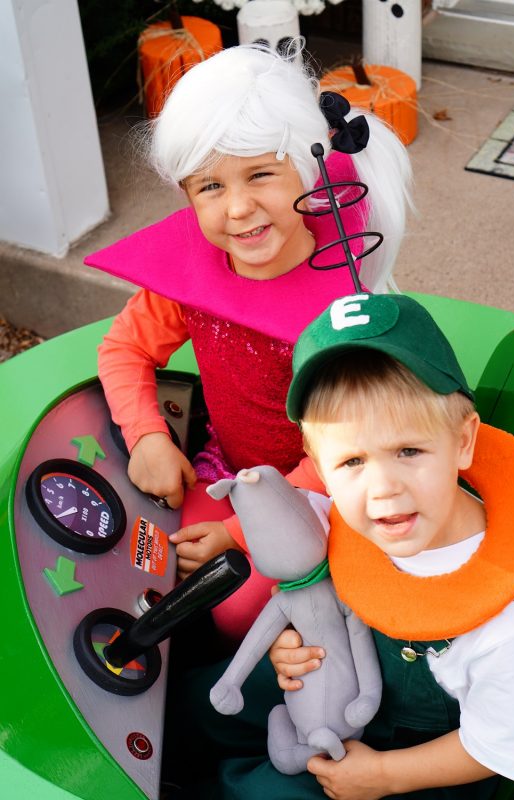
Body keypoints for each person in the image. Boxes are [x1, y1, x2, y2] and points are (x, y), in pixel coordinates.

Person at [85, 43, 412, 643]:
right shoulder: (194, 276)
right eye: (210, 186)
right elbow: (124, 347)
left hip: (325, 485)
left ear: (305, 173)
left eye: (261, 172)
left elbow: (353, 447)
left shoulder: (340, 305)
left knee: (236, 608)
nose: (238, 208)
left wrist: (239, 534)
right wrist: (149, 436)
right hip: (230, 469)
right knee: (147, 552)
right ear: (185, 195)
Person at [174, 292, 514, 799]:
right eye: (352, 462)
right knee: (198, 705)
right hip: (329, 684)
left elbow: (493, 747)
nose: (383, 488)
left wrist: (385, 776)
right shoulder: (335, 513)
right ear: (321, 468)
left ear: (463, 442)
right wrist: (288, 647)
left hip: (417, 760)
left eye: (409, 450)